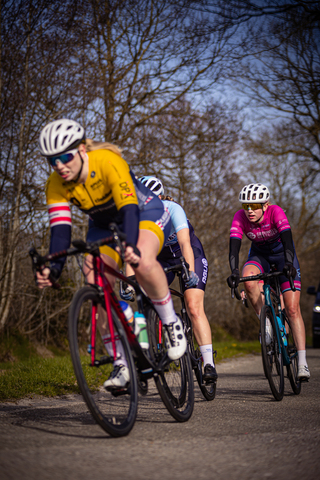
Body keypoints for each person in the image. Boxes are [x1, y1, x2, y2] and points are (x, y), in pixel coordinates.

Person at [36, 119, 187, 389]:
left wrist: (130, 246)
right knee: (94, 281)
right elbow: (60, 231)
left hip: (142, 213)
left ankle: (170, 322)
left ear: (82, 150)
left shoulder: (106, 161)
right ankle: (121, 361)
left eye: (65, 157)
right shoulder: (55, 184)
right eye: (52, 161)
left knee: (141, 260)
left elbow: (129, 208)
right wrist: (54, 268)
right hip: (103, 225)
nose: (59, 165)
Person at [134, 176, 218, 383]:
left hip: (188, 253)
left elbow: (185, 243)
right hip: (161, 259)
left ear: (162, 198)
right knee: (149, 295)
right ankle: (155, 344)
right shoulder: (136, 217)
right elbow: (133, 250)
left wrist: (190, 271)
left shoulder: (172, 208)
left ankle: (208, 362)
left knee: (193, 306)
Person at [227, 183, 310, 381]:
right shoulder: (240, 217)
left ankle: (303, 362)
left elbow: (288, 240)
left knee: (292, 309)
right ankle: (266, 324)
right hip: (260, 256)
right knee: (248, 282)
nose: (249, 210)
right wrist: (234, 271)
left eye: (254, 206)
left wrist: (289, 263)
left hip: (283, 257)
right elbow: (234, 247)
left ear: (265, 205)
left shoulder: (276, 212)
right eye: (245, 206)